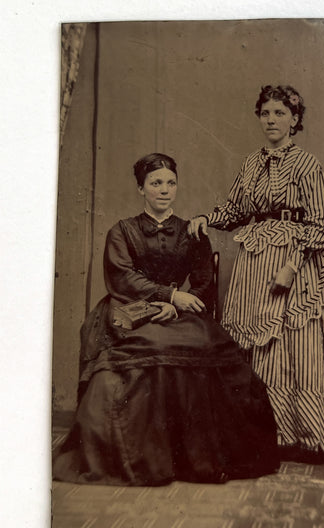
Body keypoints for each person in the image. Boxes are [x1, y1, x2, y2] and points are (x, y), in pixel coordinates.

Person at [53, 152, 280, 486]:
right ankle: (143, 456)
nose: (164, 190)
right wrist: (169, 295)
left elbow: (204, 283)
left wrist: (177, 306)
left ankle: (191, 456)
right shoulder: (123, 231)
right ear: (141, 189)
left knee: (201, 343)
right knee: (141, 350)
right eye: (155, 183)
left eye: (170, 183)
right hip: (129, 308)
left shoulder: (192, 232)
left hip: (179, 312)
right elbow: (122, 277)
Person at [188, 85, 324, 463]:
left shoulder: (308, 165)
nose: (272, 120)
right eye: (265, 113)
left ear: (295, 119)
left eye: (280, 113)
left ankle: (311, 438)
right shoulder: (250, 164)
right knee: (263, 348)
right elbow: (232, 209)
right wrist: (205, 219)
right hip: (255, 263)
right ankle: (272, 433)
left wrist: (292, 266)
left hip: (296, 263)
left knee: (300, 346)